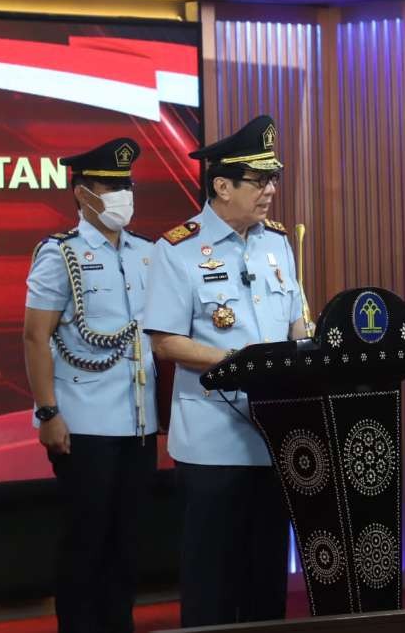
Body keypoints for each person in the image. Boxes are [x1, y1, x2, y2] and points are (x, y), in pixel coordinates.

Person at [143, 115, 307, 628]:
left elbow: (298, 319)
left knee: (264, 583)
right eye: (259, 181)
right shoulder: (177, 249)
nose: (271, 191)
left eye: (273, 179)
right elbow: (165, 341)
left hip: (275, 435)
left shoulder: (277, 242)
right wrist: (242, 364)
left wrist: (310, 346)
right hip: (213, 441)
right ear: (222, 185)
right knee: (213, 583)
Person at [23, 137, 156, 633]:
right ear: (82, 193)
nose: (123, 194)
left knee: (127, 544)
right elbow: (35, 336)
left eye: (126, 185)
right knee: (87, 541)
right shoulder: (62, 255)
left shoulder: (146, 253)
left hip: (138, 421)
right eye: (110, 186)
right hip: (83, 423)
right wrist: (47, 412)